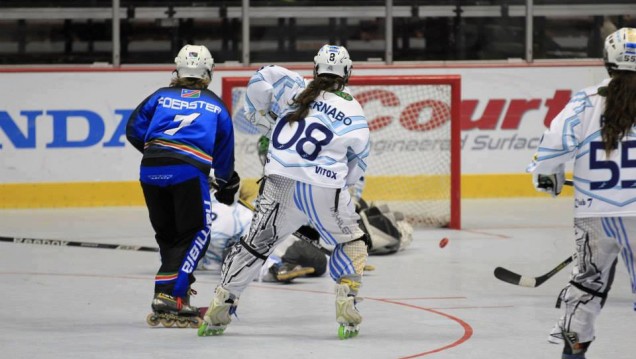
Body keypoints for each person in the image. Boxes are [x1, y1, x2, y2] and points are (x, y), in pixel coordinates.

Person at [198, 44, 371, 339]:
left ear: (316, 69)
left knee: (254, 246)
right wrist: (343, 198)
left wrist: (262, 118)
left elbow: (259, 79)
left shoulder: (293, 86)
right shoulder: (354, 110)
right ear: (347, 74)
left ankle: (222, 302)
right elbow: (357, 167)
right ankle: (347, 299)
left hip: (279, 182)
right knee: (353, 242)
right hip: (324, 186)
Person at [527, 28, 636, 359]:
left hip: (594, 215)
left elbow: (552, 150)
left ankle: (572, 354)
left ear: (606, 62)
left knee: (586, 286)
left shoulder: (585, 101)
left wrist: (549, 177)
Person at [126, 44, 240, 328]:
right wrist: (224, 183)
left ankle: (177, 292)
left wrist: (158, 153)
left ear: (176, 70)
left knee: (169, 234)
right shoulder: (215, 104)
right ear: (208, 72)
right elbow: (224, 153)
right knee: (196, 233)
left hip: (150, 170)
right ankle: (168, 294)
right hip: (188, 173)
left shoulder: (160, 96)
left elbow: (133, 129)